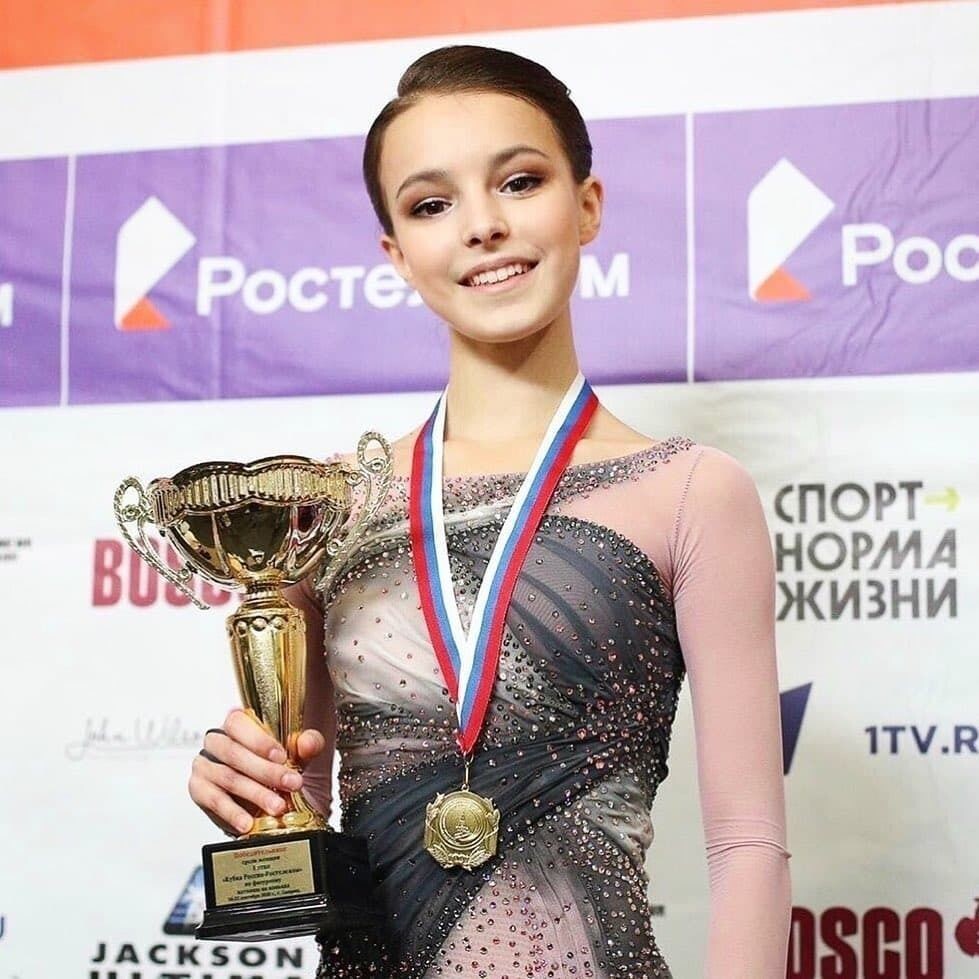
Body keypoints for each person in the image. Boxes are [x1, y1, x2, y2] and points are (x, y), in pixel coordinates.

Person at [189, 44, 791, 978]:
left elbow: (748, 844)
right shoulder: (324, 507)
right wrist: (250, 787)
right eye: (431, 204)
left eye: (518, 181)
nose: (482, 226)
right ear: (396, 253)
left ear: (585, 205)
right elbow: (300, 810)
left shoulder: (689, 490)